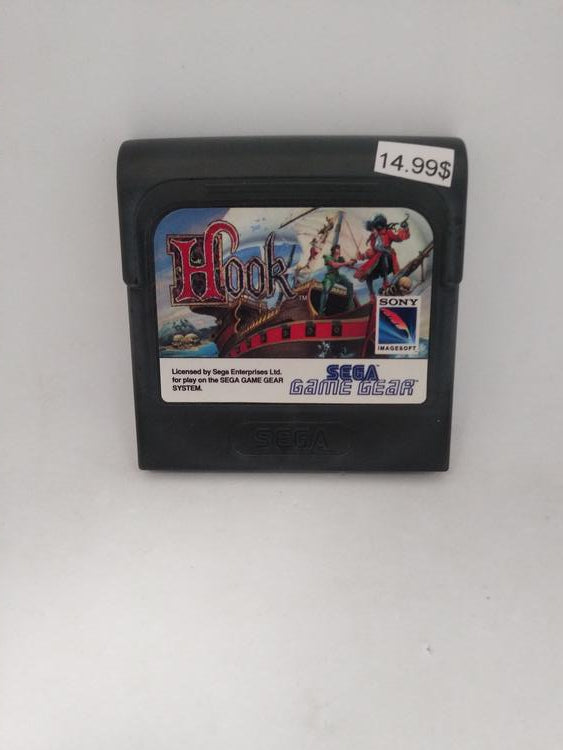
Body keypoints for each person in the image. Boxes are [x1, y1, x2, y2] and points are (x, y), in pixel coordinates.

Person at [355, 214, 410, 300]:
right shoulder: (373, 237)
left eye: (376, 228)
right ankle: (372, 295)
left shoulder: (387, 232)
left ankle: (386, 282)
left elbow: (398, 238)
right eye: (373, 229)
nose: (374, 230)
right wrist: (362, 256)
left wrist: (405, 229)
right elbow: (373, 252)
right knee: (368, 275)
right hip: (378, 261)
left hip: (389, 259)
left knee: (383, 255)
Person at [319, 244, 355, 315]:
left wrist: (353, 262)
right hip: (330, 276)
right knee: (326, 290)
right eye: (336, 252)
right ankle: (321, 312)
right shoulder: (328, 257)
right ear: (333, 252)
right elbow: (334, 265)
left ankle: (349, 307)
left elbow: (348, 265)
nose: (338, 254)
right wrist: (346, 263)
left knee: (350, 284)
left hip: (337, 276)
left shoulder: (340, 258)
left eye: (339, 252)